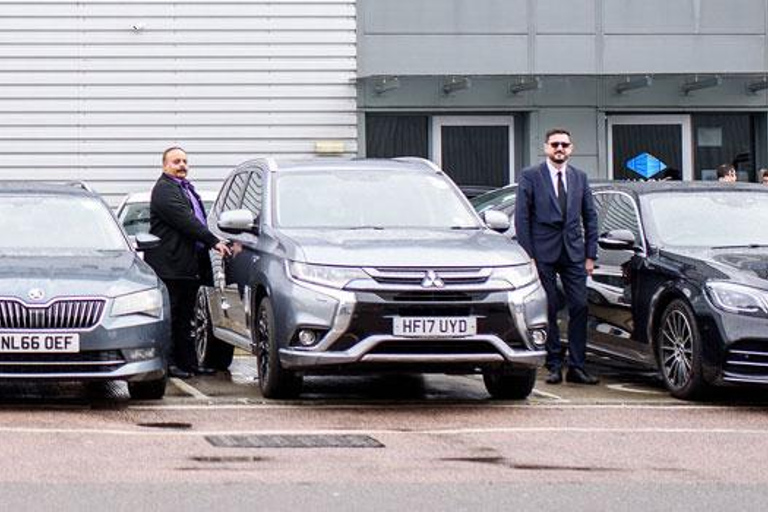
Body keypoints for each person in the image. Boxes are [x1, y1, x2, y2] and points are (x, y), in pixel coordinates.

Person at [514, 128, 599, 385]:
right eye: (555, 144)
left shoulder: (580, 177)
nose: (559, 148)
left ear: (571, 148)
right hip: (543, 253)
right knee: (549, 307)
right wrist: (529, 255)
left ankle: (577, 366)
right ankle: (553, 364)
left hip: (573, 252)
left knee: (580, 306)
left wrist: (590, 255)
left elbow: (590, 217)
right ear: (546, 148)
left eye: (564, 144)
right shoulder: (531, 176)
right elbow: (522, 217)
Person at [145, 147, 231, 379]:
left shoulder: (185, 188)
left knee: (186, 319)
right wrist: (213, 241)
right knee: (173, 317)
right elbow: (186, 220)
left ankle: (189, 364)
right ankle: (171, 364)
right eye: (176, 162)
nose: (182, 165)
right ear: (165, 166)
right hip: (170, 266)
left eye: (184, 161)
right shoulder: (164, 189)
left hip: (188, 266)